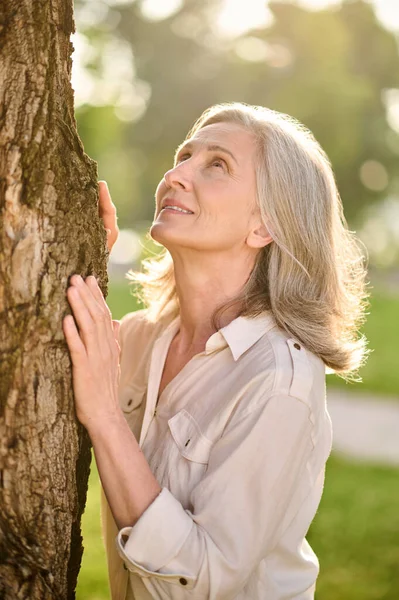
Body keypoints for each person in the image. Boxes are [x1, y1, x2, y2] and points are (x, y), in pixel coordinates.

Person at [63, 102, 370, 599]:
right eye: (184, 156)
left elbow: (199, 582)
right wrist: (78, 262)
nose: (176, 174)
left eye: (216, 165)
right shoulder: (144, 338)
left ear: (264, 226)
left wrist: (105, 415)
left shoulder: (278, 381)